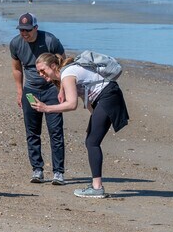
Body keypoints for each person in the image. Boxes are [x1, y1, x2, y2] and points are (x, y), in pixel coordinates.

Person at [31, 52, 130, 198]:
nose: (40, 74)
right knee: (91, 140)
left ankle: (97, 188)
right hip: (108, 96)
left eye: (43, 70)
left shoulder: (67, 74)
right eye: (38, 71)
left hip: (109, 96)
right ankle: (96, 186)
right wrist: (95, 118)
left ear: (53, 66)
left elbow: (72, 105)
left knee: (92, 142)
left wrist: (46, 108)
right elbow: (88, 97)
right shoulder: (67, 75)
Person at [10, 12, 66, 185]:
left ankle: (58, 172)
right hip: (30, 91)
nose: (24, 33)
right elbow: (17, 68)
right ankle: (37, 170)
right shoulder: (16, 44)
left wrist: (62, 88)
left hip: (51, 90)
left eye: (27, 30)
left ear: (36, 27)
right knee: (32, 132)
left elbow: (64, 65)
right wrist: (20, 91)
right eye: (21, 30)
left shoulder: (50, 40)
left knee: (55, 132)